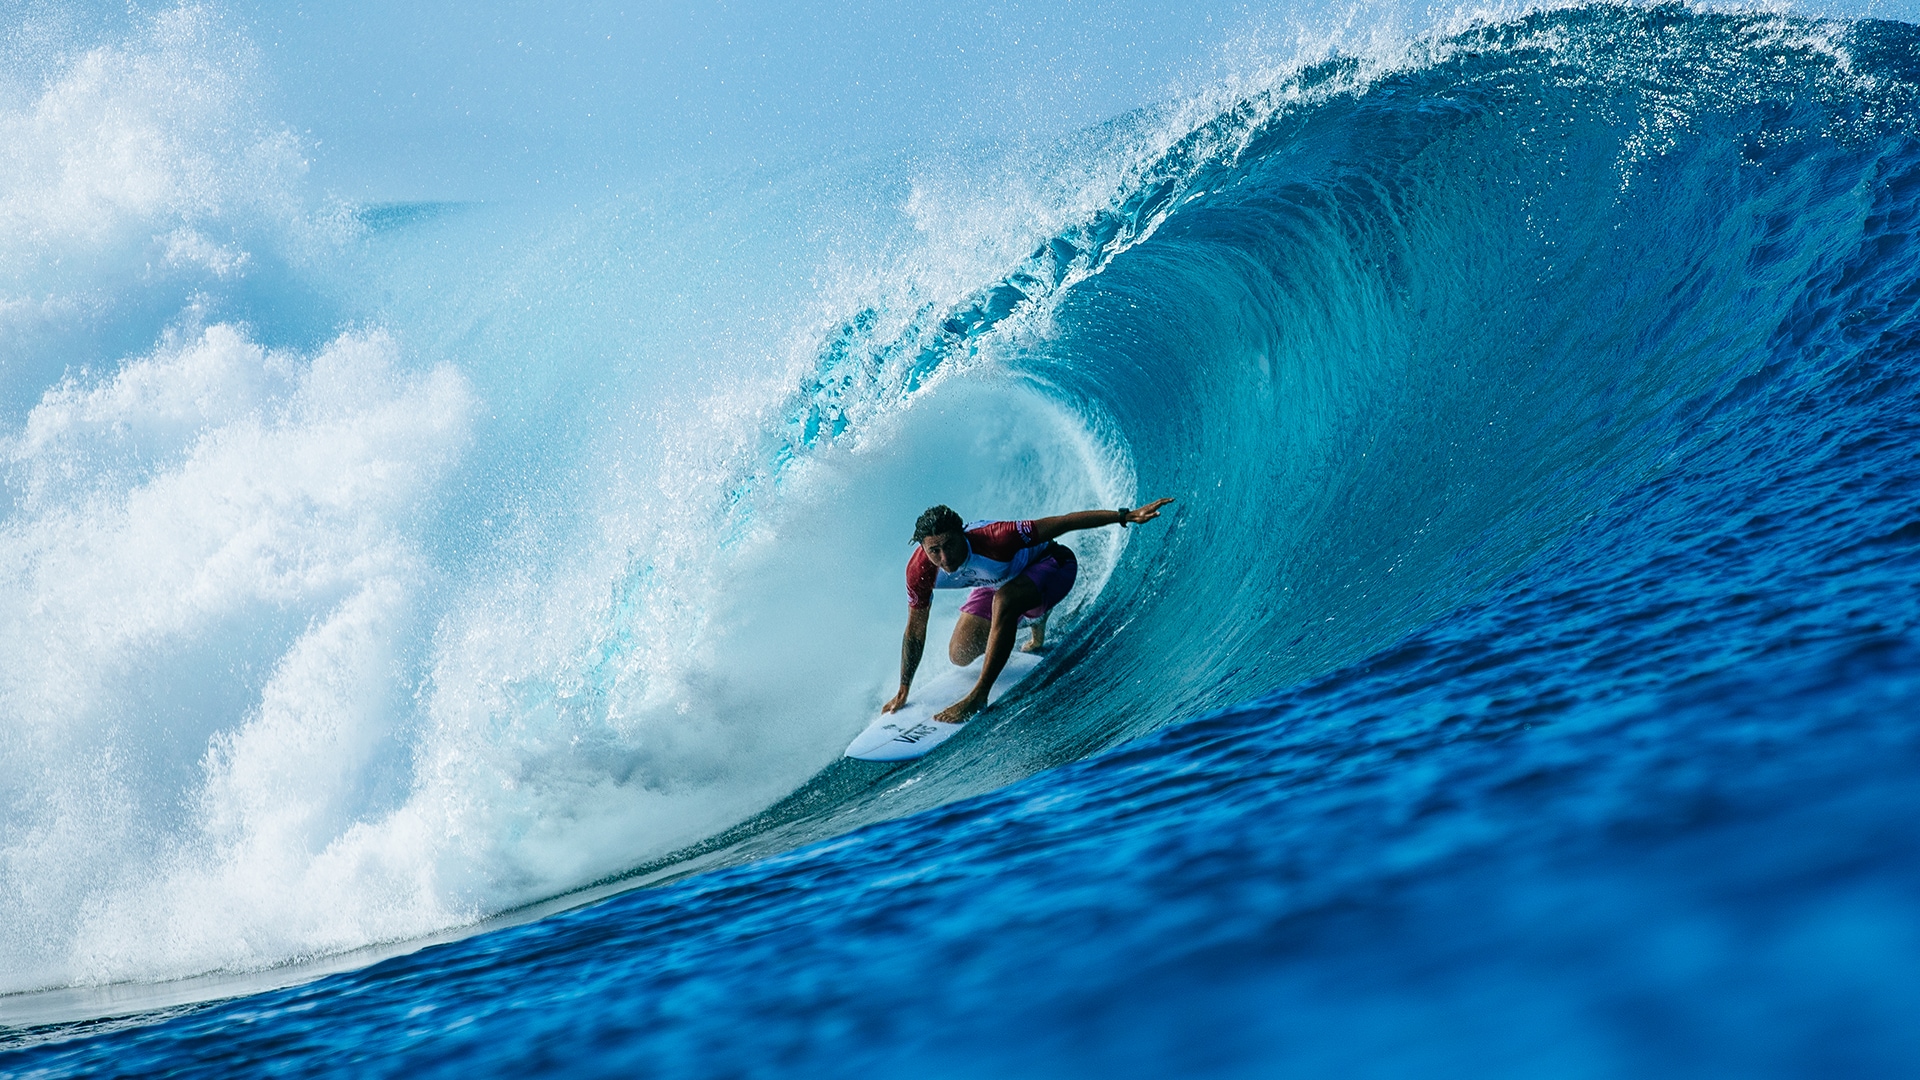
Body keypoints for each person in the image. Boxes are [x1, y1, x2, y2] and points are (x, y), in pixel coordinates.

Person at [882, 498, 1176, 724]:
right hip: (995, 582)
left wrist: (1126, 515)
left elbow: (1065, 522)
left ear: (963, 534)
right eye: (934, 550)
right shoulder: (919, 571)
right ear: (923, 548)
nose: (944, 558)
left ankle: (979, 694)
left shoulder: (998, 537)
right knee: (960, 654)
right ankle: (1029, 616)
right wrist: (904, 687)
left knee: (1005, 601)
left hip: (1052, 565)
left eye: (949, 545)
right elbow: (915, 631)